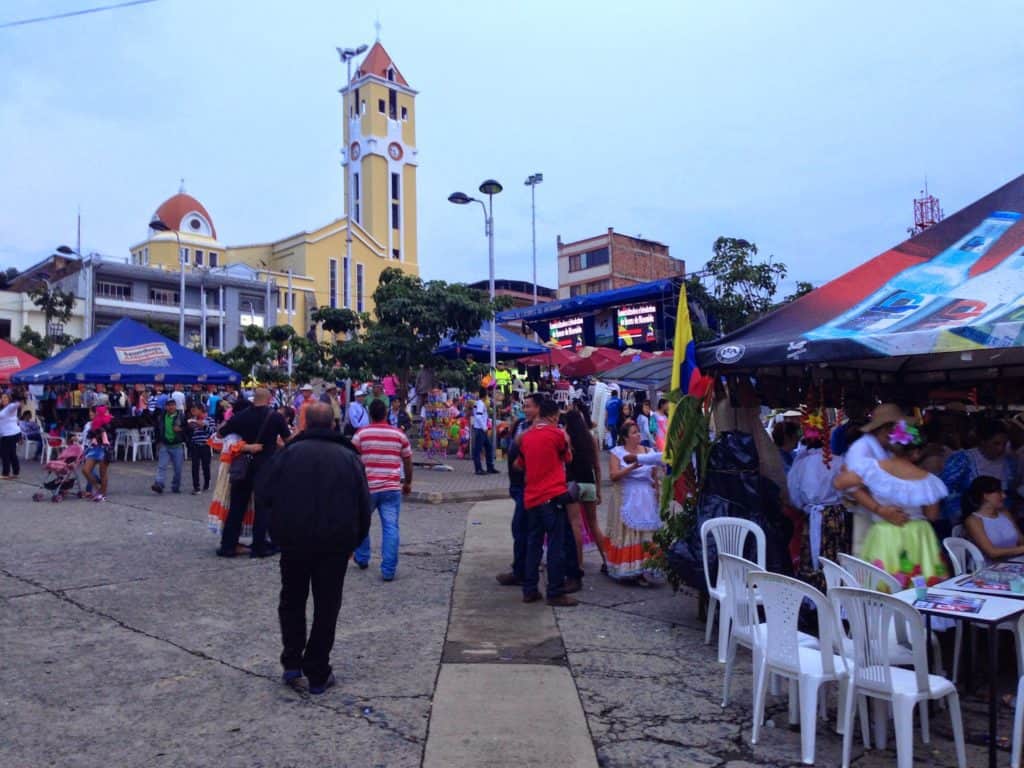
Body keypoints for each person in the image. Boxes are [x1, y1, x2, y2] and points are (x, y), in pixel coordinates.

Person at [255, 402, 372, 694]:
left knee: (292, 600)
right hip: (334, 544)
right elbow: (363, 505)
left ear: (304, 423)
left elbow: (264, 494)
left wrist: (275, 532)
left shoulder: (288, 454)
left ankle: (292, 661)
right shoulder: (349, 457)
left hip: (294, 541)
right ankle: (318, 669)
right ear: (333, 423)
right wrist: (355, 540)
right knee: (327, 606)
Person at [835, 419, 949, 586]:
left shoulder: (873, 468)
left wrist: (878, 508)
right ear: (917, 453)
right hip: (918, 535)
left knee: (882, 586)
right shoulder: (929, 480)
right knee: (920, 587)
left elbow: (841, 483)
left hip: (885, 534)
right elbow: (932, 515)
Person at [516, 397, 578, 606]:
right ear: (553, 416)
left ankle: (530, 589)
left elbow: (519, 464)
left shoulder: (525, 437)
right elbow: (567, 458)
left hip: (532, 497)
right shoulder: (558, 435)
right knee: (555, 545)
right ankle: (555, 591)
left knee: (533, 545)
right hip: (552, 497)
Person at [216, 388, 291, 558]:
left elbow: (221, 433)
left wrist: (244, 445)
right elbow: (287, 440)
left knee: (237, 506)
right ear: (269, 399)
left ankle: (228, 545)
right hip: (265, 465)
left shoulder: (241, 416)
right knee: (263, 507)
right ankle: (259, 546)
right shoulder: (275, 417)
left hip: (243, 465)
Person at [351, 399, 413, 581]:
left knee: (362, 523)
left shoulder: (361, 434)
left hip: (367, 488)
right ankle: (388, 570)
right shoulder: (399, 435)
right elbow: (408, 461)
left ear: (370, 414)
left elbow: (353, 458)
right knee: (391, 527)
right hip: (391, 487)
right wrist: (408, 482)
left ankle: (362, 557)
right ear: (386, 414)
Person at [787, 429, 846, 592]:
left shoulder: (800, 464)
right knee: (834, 554)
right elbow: (845, 491)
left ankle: (814, 593)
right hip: (833, 516)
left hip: (813, 516)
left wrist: (805, 507)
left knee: (812, 554)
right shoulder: (839, 461)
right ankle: (835, 591)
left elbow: (794, 494)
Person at [605, 421, 662, 585]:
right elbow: (614, 475)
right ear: (625, 437)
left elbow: (654, 476)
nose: (638, 435)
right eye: (634, 432)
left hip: (646, 498)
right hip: (627, 496)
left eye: (638, 432)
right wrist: (633, 466)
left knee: (646, 533)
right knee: (630, 533)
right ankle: (630, 569)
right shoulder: (617, 452)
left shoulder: (648, 452)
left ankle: (646, 569)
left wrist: (656, 492)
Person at [496, 393, 542, 587]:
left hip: (530, 485)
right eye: (524, 405)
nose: (525, 409)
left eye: (529, 406)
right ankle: (521, 569)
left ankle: (523, 572)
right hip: (517, 485)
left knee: (524, 528)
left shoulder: (539, 429)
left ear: (539, 408)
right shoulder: (520, 425)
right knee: (519, 528)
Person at [941, 419, 1019, 528]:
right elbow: (946, 489)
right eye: (996, 443)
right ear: (982, 441)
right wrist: (962, 517)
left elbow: (1011, 492)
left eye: (1004, 444)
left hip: (1002, 519)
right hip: (967, 519)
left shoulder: (1010, 462)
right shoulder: (962, 459)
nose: (1001, 448)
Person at [564, 408, 607, 577]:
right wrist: (598, 490)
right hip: (589, 483)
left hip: (573, 484)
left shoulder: (566, 438)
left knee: (575, 524)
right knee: (594, 524)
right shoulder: (591, 438)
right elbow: (597, 466)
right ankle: (607, 560)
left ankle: (579, 564)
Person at [964, 475, 1024, 561]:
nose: (1004, 496)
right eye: (999, 492)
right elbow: (992, 552)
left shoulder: (1005, 513)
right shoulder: (973, 520)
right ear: (986, 496)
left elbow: (1021, 539)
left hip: (1014, 562)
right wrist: (1021, 549)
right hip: (989, 568)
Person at [152, 398, 186, 495]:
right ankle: (159, 484)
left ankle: (175, 486)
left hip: (177, 445)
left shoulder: (181, 416)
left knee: (178, 469)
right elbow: (158, 429)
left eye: (172, 405)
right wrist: (158, 441)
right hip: (165, 445)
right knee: (161, 466)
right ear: (166, 407)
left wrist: (181, 429)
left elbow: (187, 429)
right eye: (169, 405)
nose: (171, 407)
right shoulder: (162, 416)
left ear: (176, 406)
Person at [82, 405, 113, 501]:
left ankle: (103, 494)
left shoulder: (107, 422)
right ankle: (97, 488)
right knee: (85, 470)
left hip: (104, 449)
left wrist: (100, 430)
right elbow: (89, 436)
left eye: (93, 412)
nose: (91, 414)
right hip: (94, 449)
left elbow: (109, 435)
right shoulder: (91, 424)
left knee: (102, 473)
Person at [188, 404, 215, 495]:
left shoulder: (209, 419)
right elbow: (191, 432)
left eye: (195, 410)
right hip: (195, 445)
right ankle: (196, 487)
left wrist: (203, 426)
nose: (194, 412)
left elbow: (212, 432)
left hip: (205, 445)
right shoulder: (193, 420)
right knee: (194, 467)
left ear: (201, 410)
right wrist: (191, 426)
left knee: (205, 466)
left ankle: (207, 483)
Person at [471, 387, 498, 476]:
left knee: (488, 447)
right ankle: (478, 469)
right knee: (478, 450)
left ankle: (490, 467)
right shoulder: (481, 404)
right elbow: (478, 417)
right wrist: (484, 427)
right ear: (485, 395)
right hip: (480, 429)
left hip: (481, 429)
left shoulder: (479, 403)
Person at [0, 391, 24, 479]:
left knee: (4, 453)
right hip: (10, 434)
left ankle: (6, 473)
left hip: (9, 434)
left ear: (9, 399)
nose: (3, 399)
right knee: (12, 453)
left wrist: (19, 401)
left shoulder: (10, 407)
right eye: (2, 398)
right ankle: (16, 472)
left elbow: (16, 405)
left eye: (5, 397)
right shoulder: (4, 409)